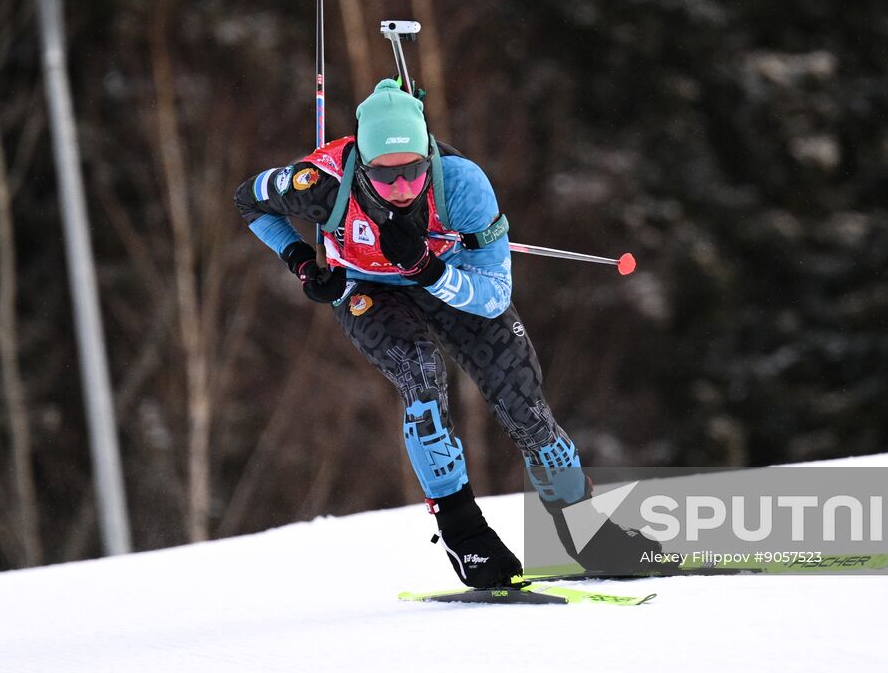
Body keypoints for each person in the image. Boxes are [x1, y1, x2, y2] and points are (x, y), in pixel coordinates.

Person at [234, 78, 654, 587]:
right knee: (422, 375)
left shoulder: (462, 184)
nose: (402, 188)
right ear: (360, 165)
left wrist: (431, 271)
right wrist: (302, 262)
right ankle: (466, 537)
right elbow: (249, 201)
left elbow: (495, 293)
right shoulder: (318, 182)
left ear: (427, 154)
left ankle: (586, 530)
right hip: (368, 290)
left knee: (521, 400)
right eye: (384, 177)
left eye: (412, 171)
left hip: (452, 279)